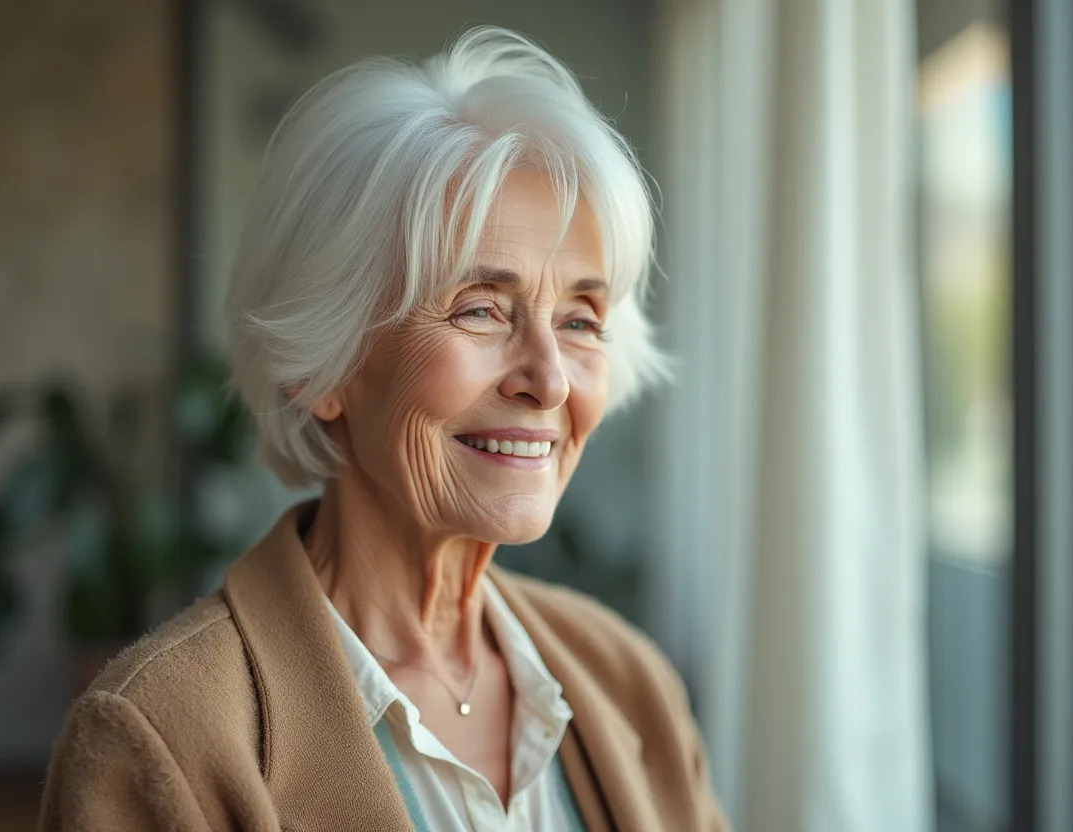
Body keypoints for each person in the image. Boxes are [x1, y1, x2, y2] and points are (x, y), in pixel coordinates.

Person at [39, 26, 727, 832]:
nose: (547, 379)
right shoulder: (157, 737)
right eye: (480, 309)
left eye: (581, 320)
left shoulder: (629, 681)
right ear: (322, 365)